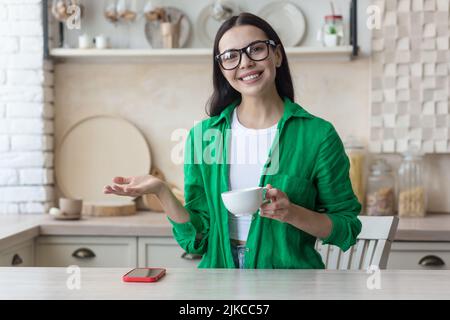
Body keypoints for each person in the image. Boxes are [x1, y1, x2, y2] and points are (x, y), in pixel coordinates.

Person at [104, 12, 361, 269]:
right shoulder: (205, 136)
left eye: (256, 49)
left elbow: (347, 227)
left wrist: (292, 213)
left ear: (278, 56)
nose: (245, 62)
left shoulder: (317, 135)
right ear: (222, 69)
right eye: (231, 56)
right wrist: (161, 190)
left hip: (290, 284)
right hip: (218, 282)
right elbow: (197, 239)